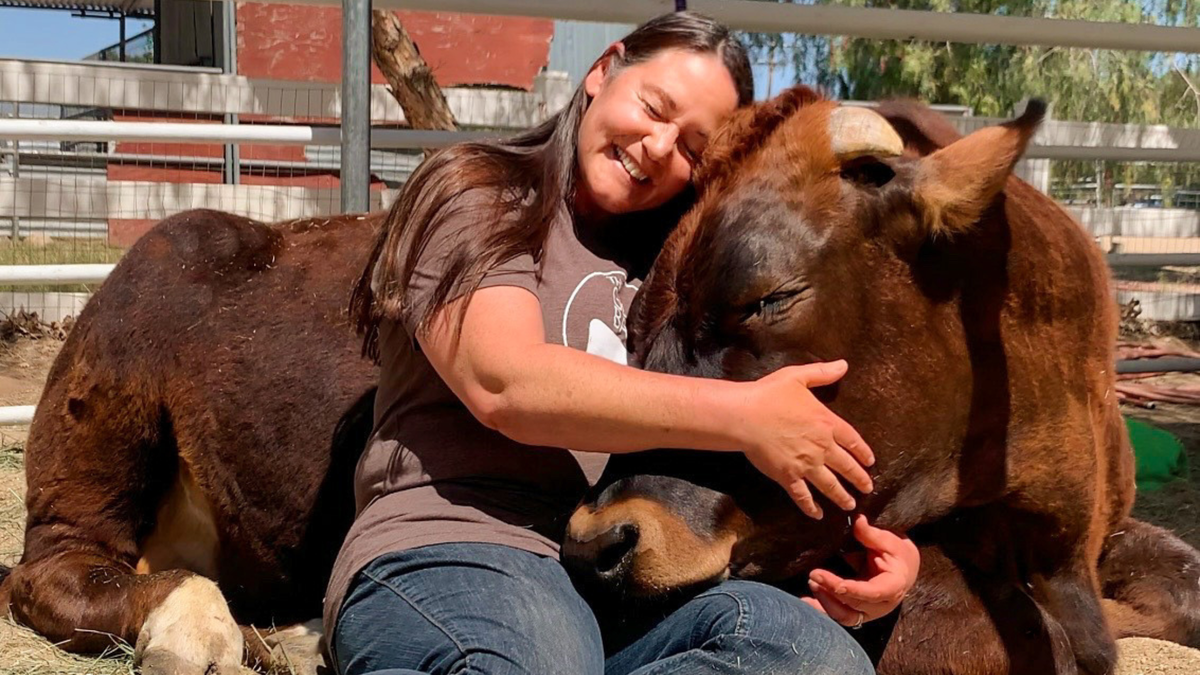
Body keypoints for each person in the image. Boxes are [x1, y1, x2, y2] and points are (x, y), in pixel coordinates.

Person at [328, 12, 919, 675]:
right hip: (458, 551)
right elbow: (502, 383)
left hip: (602, 590)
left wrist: (860, 546)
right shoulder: (476, 192)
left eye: (692, 145)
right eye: (652, 106)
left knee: (816, 657)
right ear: (603, 70)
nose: (657, 145)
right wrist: (748, 416)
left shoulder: (667, 272)